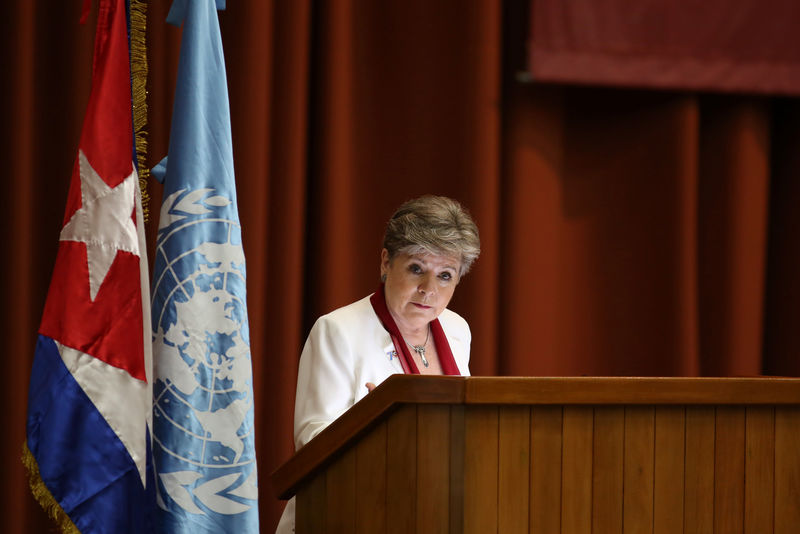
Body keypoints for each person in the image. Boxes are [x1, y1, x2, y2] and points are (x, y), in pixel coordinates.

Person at [275, 195, 480, 533]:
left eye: (445, 275)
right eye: (417, 269)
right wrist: (368, 427)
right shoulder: (338, 331)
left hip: (429, 514)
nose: (429, 289)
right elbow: (311, 443)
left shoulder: (457, 330)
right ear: (386, 262)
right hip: (345, 517)